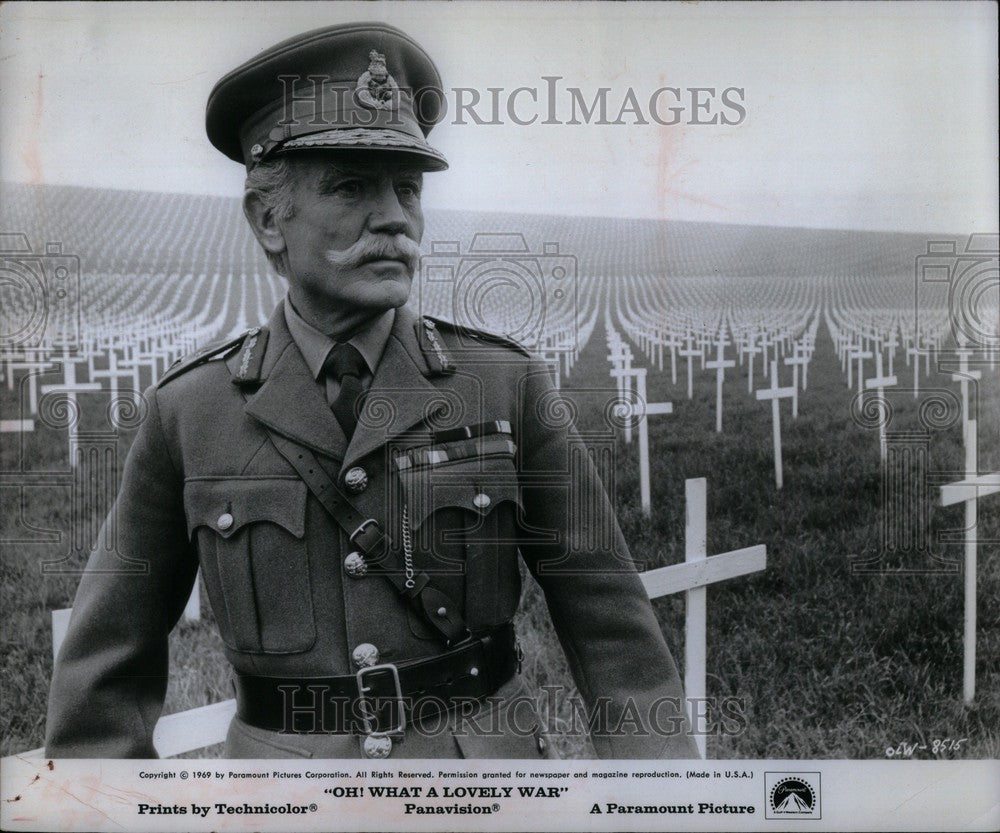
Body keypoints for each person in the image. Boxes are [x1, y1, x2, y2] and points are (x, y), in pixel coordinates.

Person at [45, 22, 698, 760]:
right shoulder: (191, 412)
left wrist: (659, 796)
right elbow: (105, 671)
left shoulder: (505, 385)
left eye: (407, 189)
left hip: (481, 788)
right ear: (268, 219)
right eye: (352, 186)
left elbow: (614, 632)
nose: (394, 217)